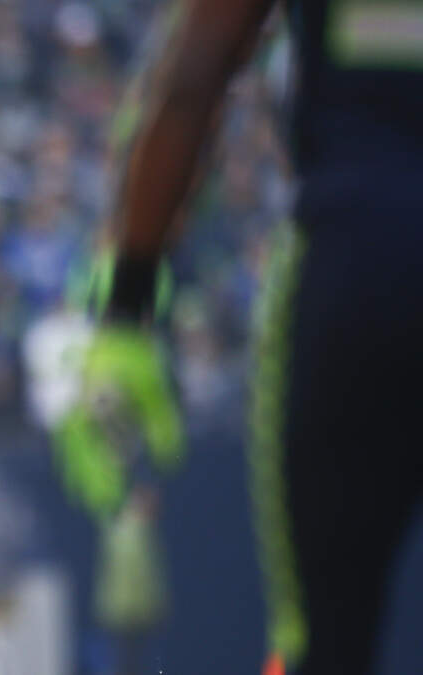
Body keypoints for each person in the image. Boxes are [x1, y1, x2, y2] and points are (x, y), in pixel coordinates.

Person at [60, 0, 423, 673]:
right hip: (355, 245)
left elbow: (193, 76)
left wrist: (126, 306)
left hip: (356, 261)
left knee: (327, 641)